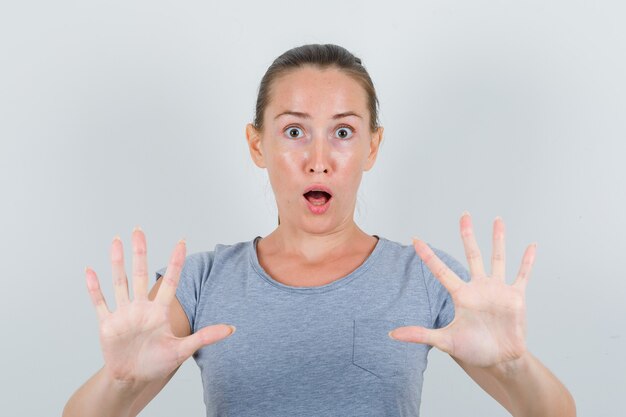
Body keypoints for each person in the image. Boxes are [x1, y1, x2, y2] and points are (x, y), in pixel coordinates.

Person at [63, 44, 576, 417]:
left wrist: (513, 367)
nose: (318, 160)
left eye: (343, 132)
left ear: (372, 147)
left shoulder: (426, 278)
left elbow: (556, 413)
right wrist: (119, 381)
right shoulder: (198, 282)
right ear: (257, 144)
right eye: (293, 131)